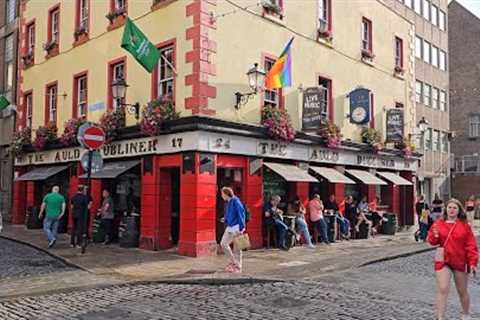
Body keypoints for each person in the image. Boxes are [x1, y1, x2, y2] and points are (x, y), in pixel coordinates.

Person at [427, 198, 478, 320]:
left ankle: (465, 314)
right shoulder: (439, 223)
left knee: (462, 290)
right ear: (446, 209)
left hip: (460, 260)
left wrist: (473, 262)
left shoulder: (465, 226)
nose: (451, 210)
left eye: (455, 208)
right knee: (443, 288)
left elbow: (471, 245)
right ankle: (440, 317)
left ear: (459, 210)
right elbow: (432, 241)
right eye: (449, 207)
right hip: (443, 259)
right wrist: (434, 235)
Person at [220, 187, 246, 273]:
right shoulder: (228, 203)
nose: (221, 196)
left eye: (222, 194)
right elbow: (229, 214)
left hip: (237, 227)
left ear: (226, 194)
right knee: (223, 244)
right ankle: (233, 262)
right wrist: (225, 219)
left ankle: (238, 267)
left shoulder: (236, 201)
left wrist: (241, 228)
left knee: (237, 248)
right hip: (230, 226)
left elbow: (241, 214)